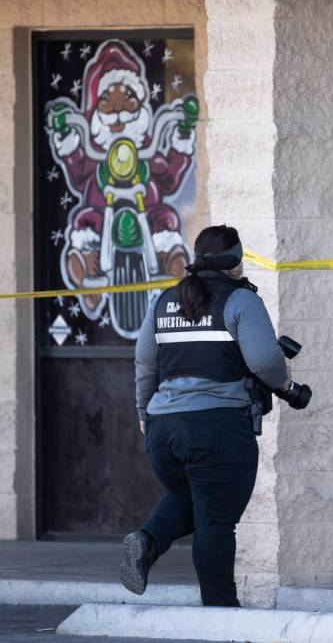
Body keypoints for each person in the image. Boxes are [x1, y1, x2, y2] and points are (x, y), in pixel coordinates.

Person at [125, 225, 289, 606]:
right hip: (217, 429)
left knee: (192, 498)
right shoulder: (240, 301)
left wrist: (143, 413)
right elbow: (266, 361)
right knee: (215, 520)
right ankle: (221, 608)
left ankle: (146, 541)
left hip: (163, 431)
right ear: (235, 262)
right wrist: (284, 378)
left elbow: (145, 363)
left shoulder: (164, 301)